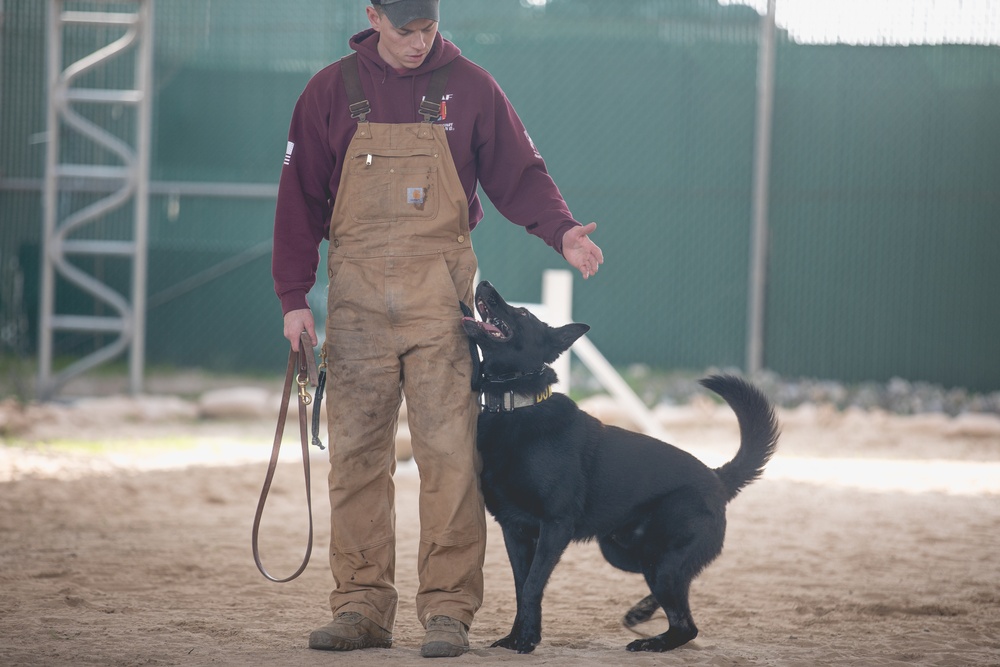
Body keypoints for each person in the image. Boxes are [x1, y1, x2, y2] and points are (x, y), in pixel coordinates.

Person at [271, 0, 604, 657]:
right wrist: (292, 297)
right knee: (356, 457)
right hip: (357, 308)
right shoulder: (329, 92)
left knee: (451, 456)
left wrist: (561, 229)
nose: (420, 42)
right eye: (405, 30)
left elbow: (519, 174)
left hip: (442, 308)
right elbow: (299, 198)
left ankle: (448, 611)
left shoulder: (472, 87)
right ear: (373, 15)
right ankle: (362, 606)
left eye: (428, 27)